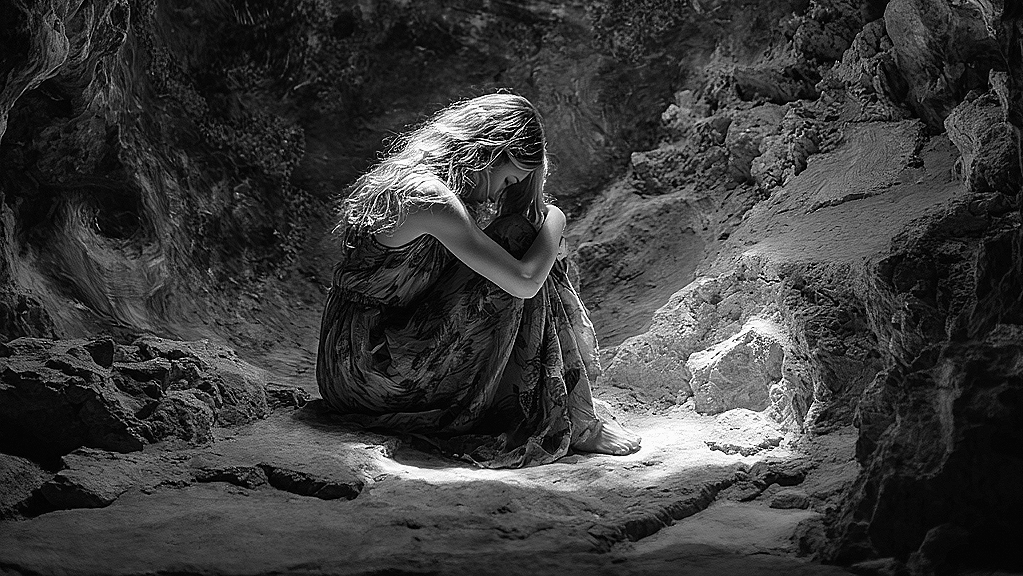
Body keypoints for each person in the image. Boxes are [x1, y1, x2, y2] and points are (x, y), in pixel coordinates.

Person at [316, 92, 641, 468]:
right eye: (508, 180)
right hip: (368, 367)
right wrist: (555, 218)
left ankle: (560, 400)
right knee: (526, 236)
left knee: (522, 234)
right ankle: (576, 418)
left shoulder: (425, 184)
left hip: (362, 349)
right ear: (489, 152)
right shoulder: (427, 197)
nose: (503, 192)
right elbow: (524, 282)